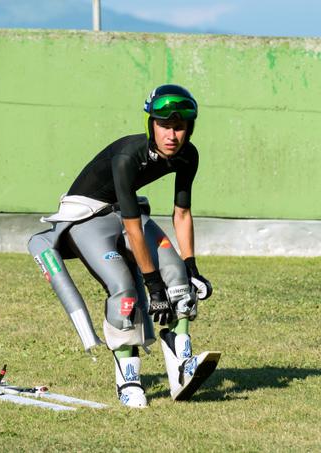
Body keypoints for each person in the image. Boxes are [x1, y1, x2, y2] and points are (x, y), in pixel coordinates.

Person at [28, 84, 220, 408]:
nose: (171, 135)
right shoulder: (127, 158)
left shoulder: (189, 155)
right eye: (163, 125)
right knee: (124, 290)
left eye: (179, 127)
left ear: (189, 128)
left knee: (178, 278)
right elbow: (132, 229)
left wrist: (191, 267)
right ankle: (128, 379)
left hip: (122, 210)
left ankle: (182, 364)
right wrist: (153, 285)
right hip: (88, 217)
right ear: (151, 125)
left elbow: (182, 212)